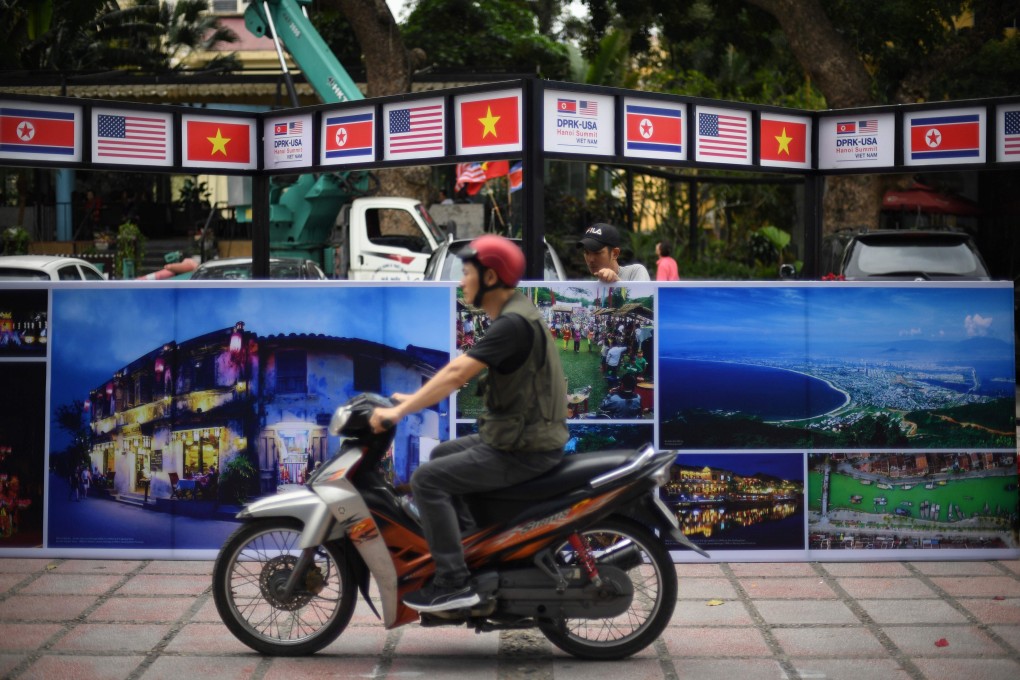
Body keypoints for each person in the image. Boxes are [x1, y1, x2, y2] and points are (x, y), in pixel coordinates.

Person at [369, 234, 568, 613]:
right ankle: (470, 548)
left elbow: (457, 373)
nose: (461, 281)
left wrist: (401, 411)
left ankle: (453, 581)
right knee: (442, 453)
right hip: (517, 436)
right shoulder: (516, 313)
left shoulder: (512, 324)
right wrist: (409, 401)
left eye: (466, 272)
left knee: (428, 480)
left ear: (490, 278)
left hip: (525, 447)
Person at [577, 222, 650, 283]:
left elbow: (642, 299)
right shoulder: (592, 287)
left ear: (615, 253)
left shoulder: (635, 272)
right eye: (586, 253)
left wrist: (617, 283)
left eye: (597, 252)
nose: (591, 259)